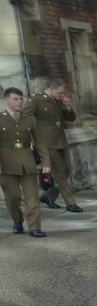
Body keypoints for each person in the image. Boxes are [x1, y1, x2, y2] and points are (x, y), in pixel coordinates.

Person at [24, 78, 82, 213]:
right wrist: (32, 139)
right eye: (60, 93)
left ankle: (48, 196)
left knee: (67, 169)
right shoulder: (36, 99)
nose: (62, 96)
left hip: (61, 139)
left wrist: (68, 106)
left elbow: (70, 118)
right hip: (47, 142)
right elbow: (25, 118)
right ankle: (70, 203)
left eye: (63, 93)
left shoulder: (58, 101)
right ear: (52, 89)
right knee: (60, 174)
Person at [0, 87, 49, 237]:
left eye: (21, 99)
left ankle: (35, 227)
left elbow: (40, 142)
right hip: (6, 164)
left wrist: (46, 163)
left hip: (27, 162)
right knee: (13, 197)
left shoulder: (30, 119)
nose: (19, 102)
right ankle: (17, 221)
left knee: (32, 197)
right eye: (15, 99)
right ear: (6, 100)